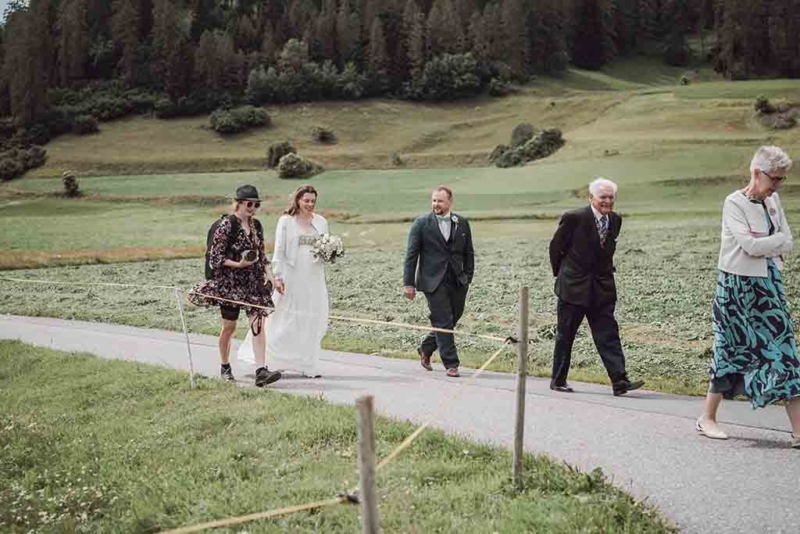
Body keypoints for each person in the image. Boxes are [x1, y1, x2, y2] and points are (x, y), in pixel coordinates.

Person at [696, 146, 799, 448]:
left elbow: (787, 241)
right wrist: (771, 242)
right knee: (729, 349)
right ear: (757, 173)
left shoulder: (774, 201)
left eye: (782, 179)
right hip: (735, 289)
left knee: (785, 350)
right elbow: (749, 247)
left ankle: (798, 432)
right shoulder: (733, 203)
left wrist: (768, 242)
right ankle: (707, 418)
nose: (778, 185)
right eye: (775, 179)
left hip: (768, 286)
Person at [548, 177, 645, 396]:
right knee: (566, 335)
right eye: (603, 197)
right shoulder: (574, 218)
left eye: (611, 197)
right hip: (573, 288)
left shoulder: (616, 220)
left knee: (608, 334)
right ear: (591, 197)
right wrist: (563, 275)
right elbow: (556, 248)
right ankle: (558, 379)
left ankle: (620, 381)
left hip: (602, 289)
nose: (607, 201)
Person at [188, 184, 281, 387]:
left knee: (258, 324)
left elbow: (261, 254)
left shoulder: (257, 226)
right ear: (238, 203)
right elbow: (216, 257)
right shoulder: (226, 225)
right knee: (229, 327)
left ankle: (261, 371)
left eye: (256, 204)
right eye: (249, 203)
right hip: (230, 284)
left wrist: (270, 275)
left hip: (253, 283)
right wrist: (238, 264)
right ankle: (225, 366)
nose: (253, 207)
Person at [403, 186, 475, 378]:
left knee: (453, 317)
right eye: (434, 200)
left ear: (450, 202)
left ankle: (426, 348)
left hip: (458, 280)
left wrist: (468, 277)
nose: (435, 204)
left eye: (440, 201)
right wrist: (408, 283)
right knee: (443, 320)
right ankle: (451, 364)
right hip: (432, 281)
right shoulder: (421, 223)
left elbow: (469, 252)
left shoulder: (462, 223)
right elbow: (411, 255)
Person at [262, 185, 330, 378]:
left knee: (311, 317)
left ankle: (308, 363)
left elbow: (324, 246)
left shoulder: (321, 221)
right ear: (298, 200)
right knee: (284, 316)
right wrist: (277, 277)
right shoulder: (286, 221)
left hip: (314, 275)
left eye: (312, 201)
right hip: (291, 274)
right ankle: (274, 359)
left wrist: (331, 252)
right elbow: (279, 250)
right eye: (306, 200)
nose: (309, 204)